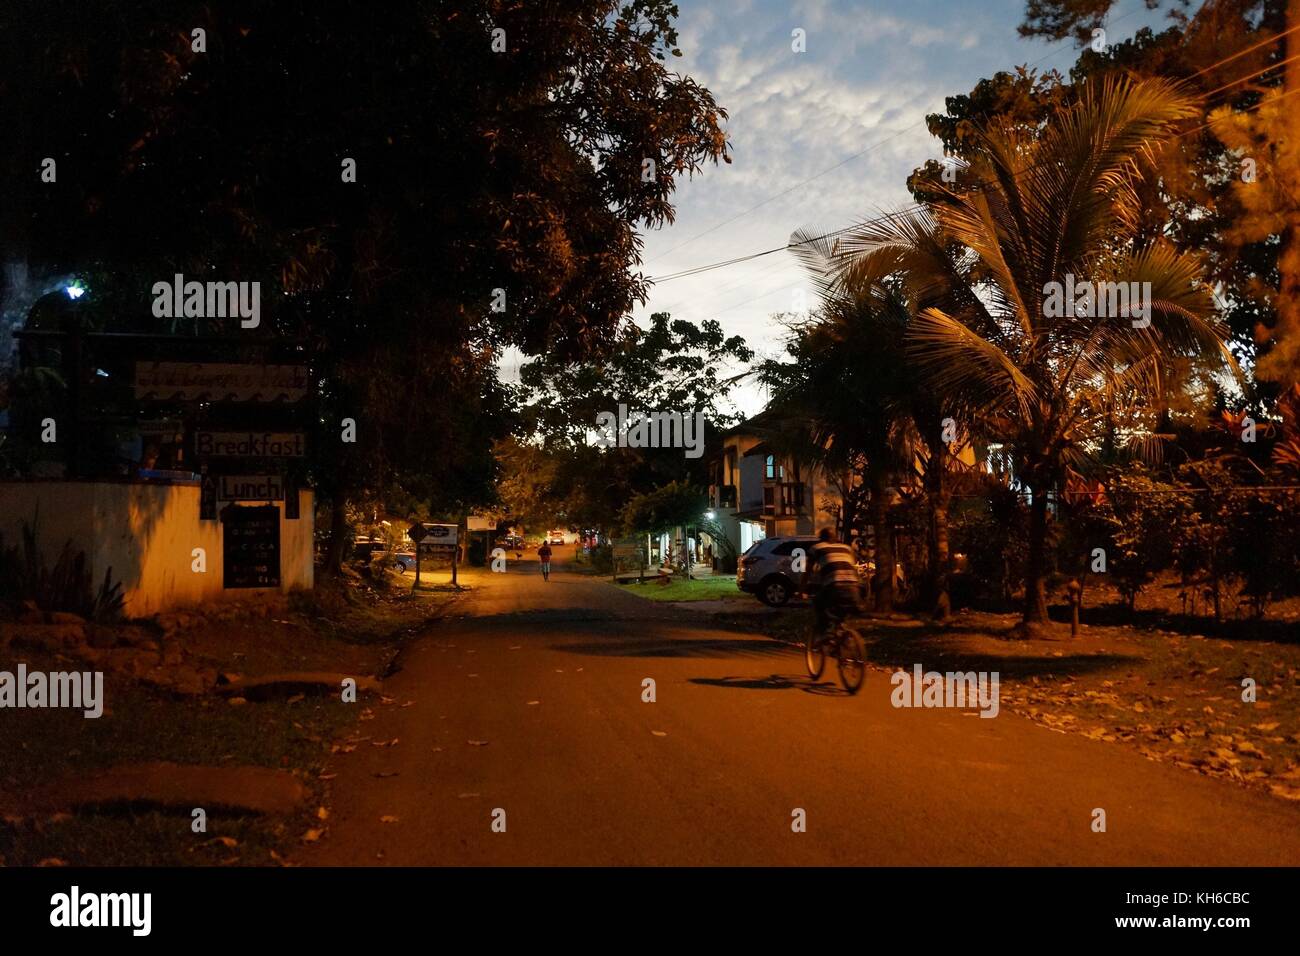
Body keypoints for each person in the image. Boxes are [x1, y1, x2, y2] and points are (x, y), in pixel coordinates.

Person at [803, 527, 863, 637]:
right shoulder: (847, 548)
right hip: (854, 586)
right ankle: (843, 636)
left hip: (834, 586)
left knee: (819, 603)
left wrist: (801, 589)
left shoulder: (817, 548)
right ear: (836, 538)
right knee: (843, 611)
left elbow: (808, 571)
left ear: (821, 538)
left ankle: (825, 633)